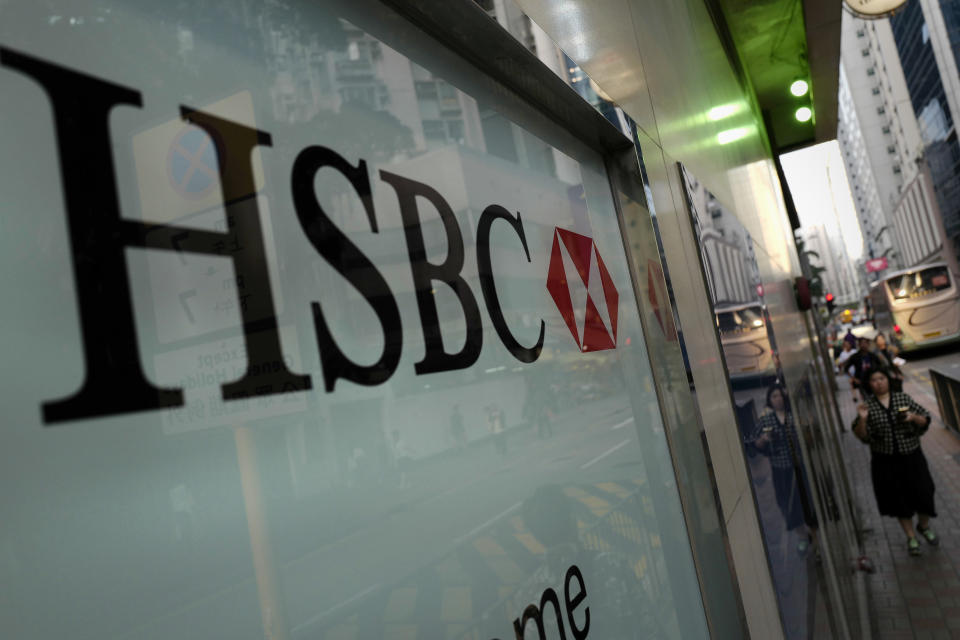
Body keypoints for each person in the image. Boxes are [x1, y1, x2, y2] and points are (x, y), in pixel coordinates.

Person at [852, 368, 937, 556]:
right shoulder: (868, 407)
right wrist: (863, 420)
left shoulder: (903, 399)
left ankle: (923, 526)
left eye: (882, 378)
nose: (879, 382)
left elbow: (926, 420)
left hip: (912, 456)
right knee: (899, 499)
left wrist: (913, 417)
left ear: (888, 380)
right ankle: (911, 537)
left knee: (925, 493)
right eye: (874, 380)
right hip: (886, 461)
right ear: (869, 385)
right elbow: (861, 436)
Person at [750, 384, 818, 551]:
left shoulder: (793, 415)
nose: (778, 399)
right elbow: (754, 443)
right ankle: (802, 536)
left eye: (780, 396)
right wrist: (763, 440)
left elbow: (809, 435)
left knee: (807, 502)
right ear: (769, 400)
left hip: (800, 468)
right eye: (774, 396)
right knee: (788, 505)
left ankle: (816, 538)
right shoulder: (766, 420)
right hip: (781, 471)